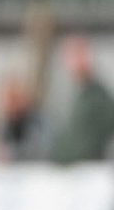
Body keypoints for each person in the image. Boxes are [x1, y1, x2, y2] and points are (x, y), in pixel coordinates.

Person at [47, 36, 114, 164]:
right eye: (70, 57)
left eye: (78, 55)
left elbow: (91, 140)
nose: (73, 62)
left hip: (87, 169)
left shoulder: (98, 96)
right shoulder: (77, 94)